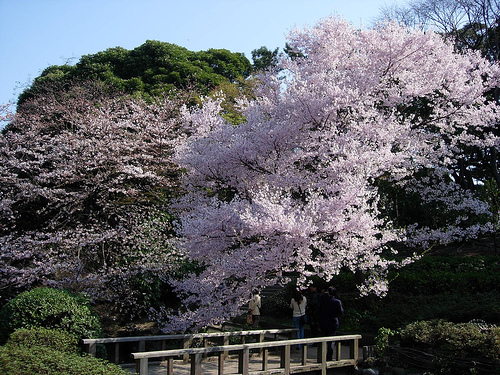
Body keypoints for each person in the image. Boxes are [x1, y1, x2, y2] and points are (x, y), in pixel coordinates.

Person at [319, 286, 344, 361]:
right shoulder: (337, 302)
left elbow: (319, 310)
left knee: (323, 340)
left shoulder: (323, 300)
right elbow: (341, 312)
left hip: (323, 322)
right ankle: (329, 357)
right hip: (333, 322)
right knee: (331, 341)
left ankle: (321, 356)